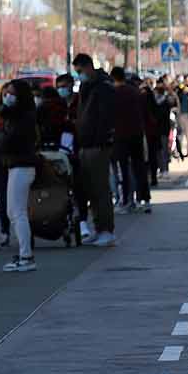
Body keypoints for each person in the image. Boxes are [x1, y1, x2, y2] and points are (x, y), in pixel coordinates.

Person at [70, 54, 117, 246]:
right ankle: (99, 228)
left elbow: (105, 118)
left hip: (97, 145)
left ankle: (106, 230)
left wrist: (99, 140)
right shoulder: (87, 87)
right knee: (91, 189)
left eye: (80, 71)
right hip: (86, 144)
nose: (79, 75)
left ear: (89, 67)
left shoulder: (103, 87)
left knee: (100, 189)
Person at [0, 80, 40, 273]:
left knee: (17, 212)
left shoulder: (23, 117)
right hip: (17, 165)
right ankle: (24, 254)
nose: (7, 96)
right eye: (6, 93)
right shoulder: (15, 116)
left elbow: (10, 141)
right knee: (13, 212)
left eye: (12, 93)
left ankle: (26, 256)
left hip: (21, 165)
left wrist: (0, 138)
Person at [107, 67, 152, 214]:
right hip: (137, 134)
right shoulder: (135, 92)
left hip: (120, 136)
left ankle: (127, 201)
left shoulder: (113, 94)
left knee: (124, 170)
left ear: (113, 78)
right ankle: (145, 200)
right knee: (140, 168)